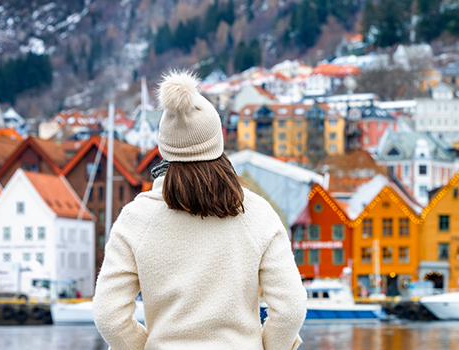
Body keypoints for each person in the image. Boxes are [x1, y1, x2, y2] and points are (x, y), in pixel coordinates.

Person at [93, 71, 307, 350]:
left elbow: (109, 316)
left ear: (164, 146)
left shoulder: (135, 218)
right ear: (218, 140)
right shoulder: (257, 213)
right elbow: (290, 309)